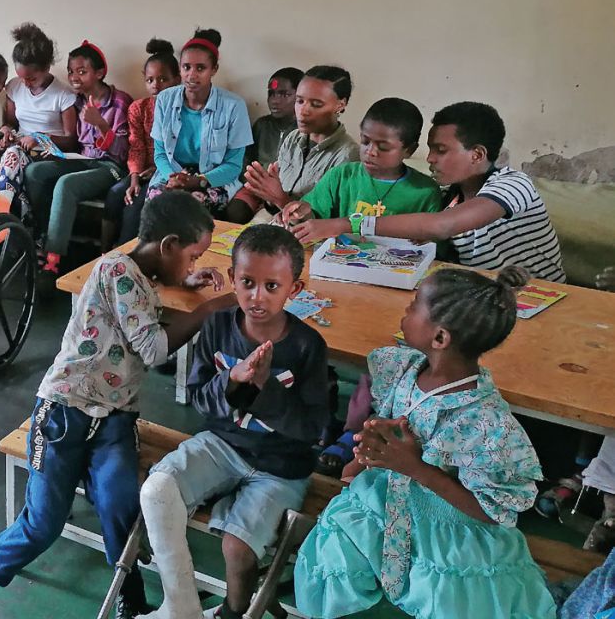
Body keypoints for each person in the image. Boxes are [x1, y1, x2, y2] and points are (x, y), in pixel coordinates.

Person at [0, 191, 232, 619]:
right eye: (192, 257)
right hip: (64, 413)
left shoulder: (138, 272)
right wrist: (211, 308)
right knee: (41, 525)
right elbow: (154, 348)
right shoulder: (116, 270)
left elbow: (145, 294)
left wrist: (181, 282)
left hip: (114, 420)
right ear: (168, 245)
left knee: (121, 505)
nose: (194, 266)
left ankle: (129, 595)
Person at [293, 266, 556, 618]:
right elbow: (384, 421)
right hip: (384, 498)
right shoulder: (405, 370)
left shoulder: (487, 424)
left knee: (447, 597)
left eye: (415, 304)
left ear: (441, 338)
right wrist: (366, 455)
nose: (406, 310)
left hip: (445, 524)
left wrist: (414, 467)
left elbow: (493, 511)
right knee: (334, 550)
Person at [140, 225, 329, 619]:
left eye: (272, 287)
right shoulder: (218, 326)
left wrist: (265, 391)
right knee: (157, 490)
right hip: (223, 444)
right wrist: (232, 380)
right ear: (231, 279)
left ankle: (234, 611)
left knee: (237, 547)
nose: (257, 297)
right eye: (247, 282)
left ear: (295, 289)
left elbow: (313, 431)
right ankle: (182, 605)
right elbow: (199, 398)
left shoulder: (307, 346)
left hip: (281, 466)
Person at [286, 102, 566, 282]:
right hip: (488, 298)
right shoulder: (447, 196)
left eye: (441, 150)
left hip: (541, 298)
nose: (430, 158)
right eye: (430, 149)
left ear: (477, 154)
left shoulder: (514, 184)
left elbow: (442, 226)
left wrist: (347, 223)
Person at [275, 97, 442, 242]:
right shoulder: (341, 175)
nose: (370, 152)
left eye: (383, 147)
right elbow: (314, 221)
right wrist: (302, 213)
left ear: (409, 150)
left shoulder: (425, 192)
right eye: (365, 141)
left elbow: (432, 245)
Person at [31, 40, 132, 281]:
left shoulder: (119, 101)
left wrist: (100, 122)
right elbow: (75, 142)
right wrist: (54, 149)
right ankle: (38, 235)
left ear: (99, 73)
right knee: (35, 172)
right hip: (80, 159)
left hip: (110, 167)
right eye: (71, 71)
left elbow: (122, 152)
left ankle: (52, 261)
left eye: (82, 71)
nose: (74, 77)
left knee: (66, 184)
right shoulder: (75, 101)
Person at [141, 26, 253, 220]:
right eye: (186, 67)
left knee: (191, 207)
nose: (192, 75)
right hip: (171, 175)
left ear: (214, 69)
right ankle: (156, 249)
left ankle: (189, 251)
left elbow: (234, 165)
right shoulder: (165, 99)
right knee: (156, 205)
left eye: (200, 68)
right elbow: (160, 153)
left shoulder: (234, 106)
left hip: (212, 178)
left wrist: (198, 181)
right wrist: (173, 178)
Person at [231, 66, 359, 224]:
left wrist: (280, 199)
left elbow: (331, 224)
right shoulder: (293, 138)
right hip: (280, 223)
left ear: (340, 104)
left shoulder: (347, 155)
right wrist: (270, 194)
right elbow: (276, 205)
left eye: (316, 104)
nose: (303, 110)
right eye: (300, 101)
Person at [0, 23, 78, 222]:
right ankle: (11, 221)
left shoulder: (63, 95)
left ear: (46, 68)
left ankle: (4, 220)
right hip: (20, 150)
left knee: (12, 160)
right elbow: (11, 123)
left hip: (51, 153)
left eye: (31, 78)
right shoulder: (14, 87)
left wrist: (40, 138)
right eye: (21, 77)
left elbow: (71, 140)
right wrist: (5, 130)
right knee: (12, 156)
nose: (25, 83)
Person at [104, 39, 180, 249]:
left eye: (163, 79)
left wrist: (156, 168)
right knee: (115, 194)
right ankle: (103, 252)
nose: (156, 85)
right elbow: (136, 145)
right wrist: (135, 177)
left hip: (167, 172)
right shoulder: (139, 108)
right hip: (141, 170)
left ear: (177, 80)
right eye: (150, 80)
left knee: (135, 205)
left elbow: (181, 151)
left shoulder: (184, 110)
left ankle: (127, 256)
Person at [244, 67, 303, 170]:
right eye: (271, 94)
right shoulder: (262, 125)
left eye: (284, 95)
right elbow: (246, 162)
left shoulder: (307, 131)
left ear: (300, 96)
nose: (274, 101)